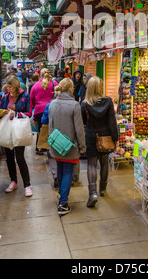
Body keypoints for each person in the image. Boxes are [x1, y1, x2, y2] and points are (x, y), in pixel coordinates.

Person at [48, 78, 86, 215]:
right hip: (70, 146)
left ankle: (61, 196)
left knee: (60, 169)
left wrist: (51, 143)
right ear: (70, 89)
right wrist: (82, 146)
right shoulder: (75, 105)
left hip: (56, 144)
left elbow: (50, 126)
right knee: (68, 171)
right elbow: (79, 129)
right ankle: (63, 203)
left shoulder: (52, 104)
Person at [81, 76, 118, 208]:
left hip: (91, 136)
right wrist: (116, 139)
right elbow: (112, 123)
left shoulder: (85, 104)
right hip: (106, 136)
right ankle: (102, 189)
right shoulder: (108, 101)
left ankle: (92, 194)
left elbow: (83, 122)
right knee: (104, 162)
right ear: (100, 87)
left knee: (91, 164)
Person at [0, 75, 33, 197]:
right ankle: (13, 181)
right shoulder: (5, 97)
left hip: (19, 130)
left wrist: (16, 113)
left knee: (20, 157)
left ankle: (27, 185)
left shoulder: (25, 96)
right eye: (7, 87)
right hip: (8, 130)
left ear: (15, 86)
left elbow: (29, 113)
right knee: (9, 157)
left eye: (10, 87)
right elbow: (0, 111)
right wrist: (1, 113)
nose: (8, 89)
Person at [30, 68, 58, 154]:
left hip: (39, 110)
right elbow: (58, 95)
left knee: (40, 129)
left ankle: (39, 147)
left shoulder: (35, 85)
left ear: (40, 75)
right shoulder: (54, 83)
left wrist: (33, 109)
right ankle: (50, 149)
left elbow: (32, 99)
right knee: (51, 129)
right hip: (52, 109)